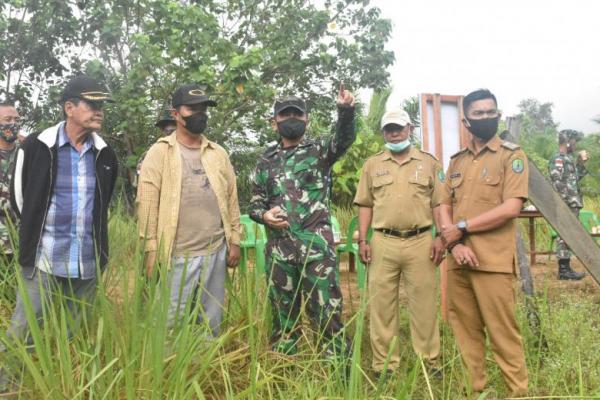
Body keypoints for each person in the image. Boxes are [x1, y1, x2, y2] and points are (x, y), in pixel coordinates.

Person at [2, 75, 119, 386]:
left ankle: (64, 383)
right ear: (69, 107)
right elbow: (19, 200)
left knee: (75, 331)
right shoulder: (37, 147)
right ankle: (8, 386)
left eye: (101, 106)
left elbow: (102, 204)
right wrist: (33, 238)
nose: (99, 111)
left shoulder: (106, 154)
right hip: (44, 257)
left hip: (85, 261)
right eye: (92, 104)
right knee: (23, 329)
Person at [249, 84, 356, 358]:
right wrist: (263, 215)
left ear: (306, 120)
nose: (291, 120)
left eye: (297, 115)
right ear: (275, 122)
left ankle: (337, 372)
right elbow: (255, 202)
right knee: (283, 316)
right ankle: (284, 369)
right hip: (280, 252)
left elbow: (343, 139)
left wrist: (345, 111)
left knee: (327, 314)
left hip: (316, 251)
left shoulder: (320, 150)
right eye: (285, 115)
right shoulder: (265, 161)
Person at [439, 89, 528, 397]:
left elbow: (511, 207)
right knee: (466, 337)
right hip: (458, 262)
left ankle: (517, 394)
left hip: (492, 263)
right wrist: (454, 244)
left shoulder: (511, 156)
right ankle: (472, 393)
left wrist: (462, 228)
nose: (487, 117)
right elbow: (442, 205)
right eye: (479, 113)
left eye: (492, 112)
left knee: (504, 337)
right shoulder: (457, 162)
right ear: (466, 120)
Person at [137, 84, 241, 335]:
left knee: (211, 317)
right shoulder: (160, 152)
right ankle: (168, 366)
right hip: (177, 254)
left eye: (203, 108)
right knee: (169, 319)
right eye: (192, 109)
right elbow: (148, 203)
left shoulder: (218, 153)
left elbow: (231, 198)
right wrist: (152, 250)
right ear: (175, 114)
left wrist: (235, 239)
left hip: (216, 251)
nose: (199, 114)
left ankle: (207, 364)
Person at [354, 108, 444, 380]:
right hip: (383, 241)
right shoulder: (372, 165)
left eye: (398, 127)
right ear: (383, 132)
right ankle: (384, 366)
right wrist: (363, 240)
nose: (393, 133)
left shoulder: (429, 163)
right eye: (388, 128)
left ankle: (428, 362)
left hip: (421, 241)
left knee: (424, 304)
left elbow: (440, 203)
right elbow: (365, 205)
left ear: (410, 129)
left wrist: (441, 236)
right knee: (381, 305)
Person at [548, 129, 588, 280]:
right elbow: (556, 181)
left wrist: (581, 163)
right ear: (567, 141)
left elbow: (575, 179)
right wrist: (566, 200)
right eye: (574, 141)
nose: (575, 144)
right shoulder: (558, 158)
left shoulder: (568, 158)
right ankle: (563, 270)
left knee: (569, 235)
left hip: (573, 203)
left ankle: (566, 268)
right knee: (564, 234)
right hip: (566, 203)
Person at [0, 103, 20, 259]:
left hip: (21, 244)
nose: (13, 123)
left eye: (17, 119)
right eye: (7, 119)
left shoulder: (26, 154)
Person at [135, 110, 177, 182]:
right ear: (163, 131)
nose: (171, 134)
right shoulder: (153, 151)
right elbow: (141, 177)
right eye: (167, 130)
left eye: (173, 131)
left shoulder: (191, 148)